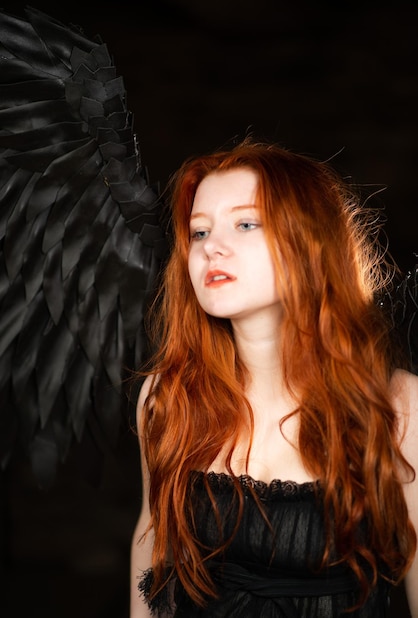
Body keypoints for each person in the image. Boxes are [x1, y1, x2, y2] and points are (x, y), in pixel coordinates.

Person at [130, 139, 418, 617]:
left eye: (245, 223)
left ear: (308, 243)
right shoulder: (167, 398)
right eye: (198, 233)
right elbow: (154, 548)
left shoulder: (400, 407)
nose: (212, 248)